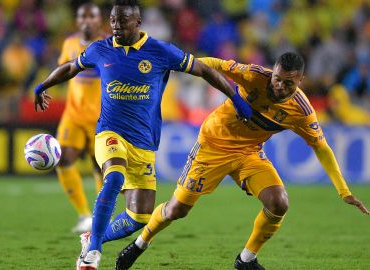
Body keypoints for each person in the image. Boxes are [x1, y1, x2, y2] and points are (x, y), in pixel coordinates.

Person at [33, 1, 252, 269]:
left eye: (122, 21)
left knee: (140, 215)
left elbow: (204, 70)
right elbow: (71, 67)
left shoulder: (160, 51)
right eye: (113, 20)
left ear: (137, 23)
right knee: (113, 177)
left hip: (144, 141)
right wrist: (43, 85)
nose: (115, 26)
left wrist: (236, 99)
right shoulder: (101, 49)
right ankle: (92, 252)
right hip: (109, 133)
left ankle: (91, 236)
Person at [115, 52, 370, 270]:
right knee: (176, 211)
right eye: (277, 79)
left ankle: (247, 259)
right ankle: (140, 243)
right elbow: (217, 65)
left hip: (248, 152)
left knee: (278, 203)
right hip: (212, 146)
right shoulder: (254, 76)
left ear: (301, 81)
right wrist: (181, 63)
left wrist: (343, 191)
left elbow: (322, 148)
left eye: (288, 83)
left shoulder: (302, 112)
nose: (279, 86)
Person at [53, 3, 106, 234]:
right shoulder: (70, 43)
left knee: (100, 167)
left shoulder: (108, 44)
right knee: (62, 159)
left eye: (91, 16)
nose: (86, 20)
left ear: (99, 20)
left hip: (100, 117)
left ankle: (98, 217)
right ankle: (84, 214)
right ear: (77, 20)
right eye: (82, 16)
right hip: (73, 115)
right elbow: (63, 70)